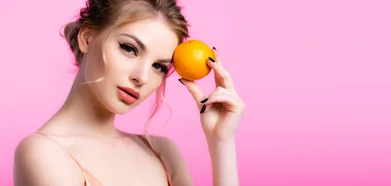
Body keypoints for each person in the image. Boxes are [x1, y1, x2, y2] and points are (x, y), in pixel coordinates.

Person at [12, 0, 244, 185]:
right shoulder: (42, 152)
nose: (141, 77)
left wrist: (220, 141)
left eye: (159, 67)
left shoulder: (162, 152)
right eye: (129, 49)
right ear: (87, 38)